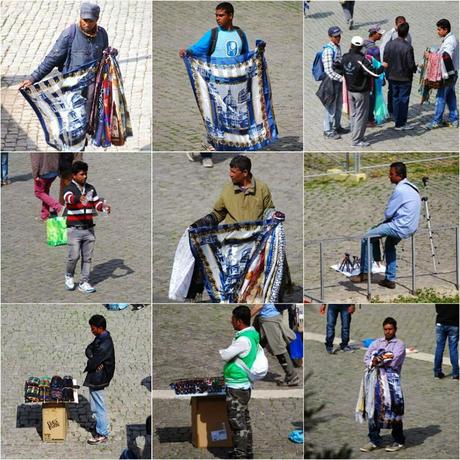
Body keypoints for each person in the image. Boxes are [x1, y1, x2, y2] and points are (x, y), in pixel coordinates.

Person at [179, 2, 249, 161]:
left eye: (221, 15)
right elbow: (197, 49)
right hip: (215, 86)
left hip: (234, 87)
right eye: (216, 15)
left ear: (230, 16)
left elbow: (245, 57)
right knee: (214, 119)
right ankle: (206, 154)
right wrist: (187, 51)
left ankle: (230, 146)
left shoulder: (240, 35)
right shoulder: (212, 35)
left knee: (233, 119)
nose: (218, 18)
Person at [350, 162, 421, 289]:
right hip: (411, 226)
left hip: (399, 226)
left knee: (367, 236)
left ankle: (365, 272)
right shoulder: (413, 187)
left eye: (391, 174)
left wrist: (388, 220)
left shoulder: (399, 190)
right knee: (389, 244)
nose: (389, 176)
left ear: (399, 175)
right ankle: (390, 279)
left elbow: (388, 214)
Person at [19, 3, 108, 90]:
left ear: (97, 19)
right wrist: (33, 78)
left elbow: (105, 60)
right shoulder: (69, 35)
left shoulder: (102, 34)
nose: (87, 24)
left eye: (91, 21)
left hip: (94, 88)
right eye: (85, 20)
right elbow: (52, 59)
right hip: (73, 88)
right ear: (80, 17)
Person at [358, 317, 406, 452]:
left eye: (390, 329)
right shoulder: (376, 342)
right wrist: (377, 359)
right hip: (374, 381)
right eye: (385, 329)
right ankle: (374, 439)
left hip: (391, 383)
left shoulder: (399, 344)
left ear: (395, 329)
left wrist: (378, 359)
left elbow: (394, 361)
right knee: (373, 409)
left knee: (395, 410)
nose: (388, 332)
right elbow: (367, 358)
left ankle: (398, 440)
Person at [63, 161, 111, 293]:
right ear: (74, 175)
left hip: (89, 229)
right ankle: (69, 275)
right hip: (74, 229)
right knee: (73, 257)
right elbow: (68, 199)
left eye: (86, 174)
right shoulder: (69, 188)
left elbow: (97, 203)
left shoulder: (90, 188)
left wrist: (104, 207)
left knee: (87, 258)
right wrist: (79, 198)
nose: (85, 176)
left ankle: (84, 282)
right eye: (81, 174)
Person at [219, 305, 259, 459]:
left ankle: (240, 455)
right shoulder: (251, 334)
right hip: (243, 385)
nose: (231, 321)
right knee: (244, 420)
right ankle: (247, 451)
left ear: (239, 321)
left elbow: (226, 355)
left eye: (233, 319)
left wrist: (224, 351)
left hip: (237, 386)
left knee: (237, 424)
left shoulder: (243, 339)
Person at [341, 36, 386, 147]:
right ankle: (356, 140)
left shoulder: (345, 57)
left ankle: (355, 134)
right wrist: (382, 67)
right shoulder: (362, 60)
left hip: (350, 90)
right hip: (361, 92)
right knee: (361, 116)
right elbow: (374, 73)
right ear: (361, 47)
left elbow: (337, 67)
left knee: (354, 115)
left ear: (350, 45)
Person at [83, 314, 115, 445]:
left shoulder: (104, 343)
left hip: (99, 377)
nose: (91, 330)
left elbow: (94, 361)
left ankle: (102, 434)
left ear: (100, 328)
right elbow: (88, 349)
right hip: (96, 375)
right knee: (95, 404)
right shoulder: (100, 337)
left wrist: (94, 361)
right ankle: (99, 427)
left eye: (93, 328)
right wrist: (93, 359)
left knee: (99, 406)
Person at [250, 304, 299, 385]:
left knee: (278, 349)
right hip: (265, 316)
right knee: (256, 343)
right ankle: (244, 366)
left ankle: (292, 376)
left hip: (269, 318)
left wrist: (243, 317)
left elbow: (259, 305)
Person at [425, 19, 459, 130]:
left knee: (440, 98)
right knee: (450, 97)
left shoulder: (449, 42)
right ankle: (454, 120)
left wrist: (430, 57)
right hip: (452, 74)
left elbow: (445, 56)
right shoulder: (451, 39)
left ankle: (436, 121)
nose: (437, 31)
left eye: (439, 29)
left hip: (447, 76)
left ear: (446, 29)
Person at [383, 22, 417, 130]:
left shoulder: (389, 44)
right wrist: (415, 69)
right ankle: (401, 123)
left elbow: (385, 59)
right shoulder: (408, 47)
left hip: (392, 76)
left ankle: (397, 119)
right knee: (403, 100)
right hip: (404, 78)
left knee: (395, 98)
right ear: (406, 33)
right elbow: (411, 64)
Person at [380, 17, 412, 116]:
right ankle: (392, 109)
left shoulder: (408, 35)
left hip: (402, 68)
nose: (403, 25)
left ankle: (396, 111)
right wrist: (384, 64)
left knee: (397, 92)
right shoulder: (390, 34)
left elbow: (409, 49)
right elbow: (383, 49)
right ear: (397, 24)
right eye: (401, 24)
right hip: (392, 68)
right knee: (393, 90)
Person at [321, 26, 349, 140]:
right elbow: (328, 70)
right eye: (336, 36)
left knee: (338, 106)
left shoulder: (337, 47)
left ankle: (337, 127)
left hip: (338, 82)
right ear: (330, 37)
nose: (338, 38)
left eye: (339, 36)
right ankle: (328, 130)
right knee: (330, 107)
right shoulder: (328, 50)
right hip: (331, 83)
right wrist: (341, 78)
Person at [363, 25, 385, 126]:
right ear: (373, 34)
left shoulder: (363, 44)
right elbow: (378, 66)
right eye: (379, 33)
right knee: (372, 98)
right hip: (373, 77)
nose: (381, 35)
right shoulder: (374, 49)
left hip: (364, 76)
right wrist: (382, 77)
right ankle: (370, 119)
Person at [31, 153, 64, 220]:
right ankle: (44, 215)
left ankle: (58, 207)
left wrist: (35, 174)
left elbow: (35, 161)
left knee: (38, 192)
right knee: (45, 191)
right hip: (54, 170)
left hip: (43, 172)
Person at [433, 304, 459, 379]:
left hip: (440, 323)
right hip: (454, 324)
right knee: (453, 349)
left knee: (439, 348)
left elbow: (437, 309)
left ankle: (437, 372)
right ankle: (456, 373)